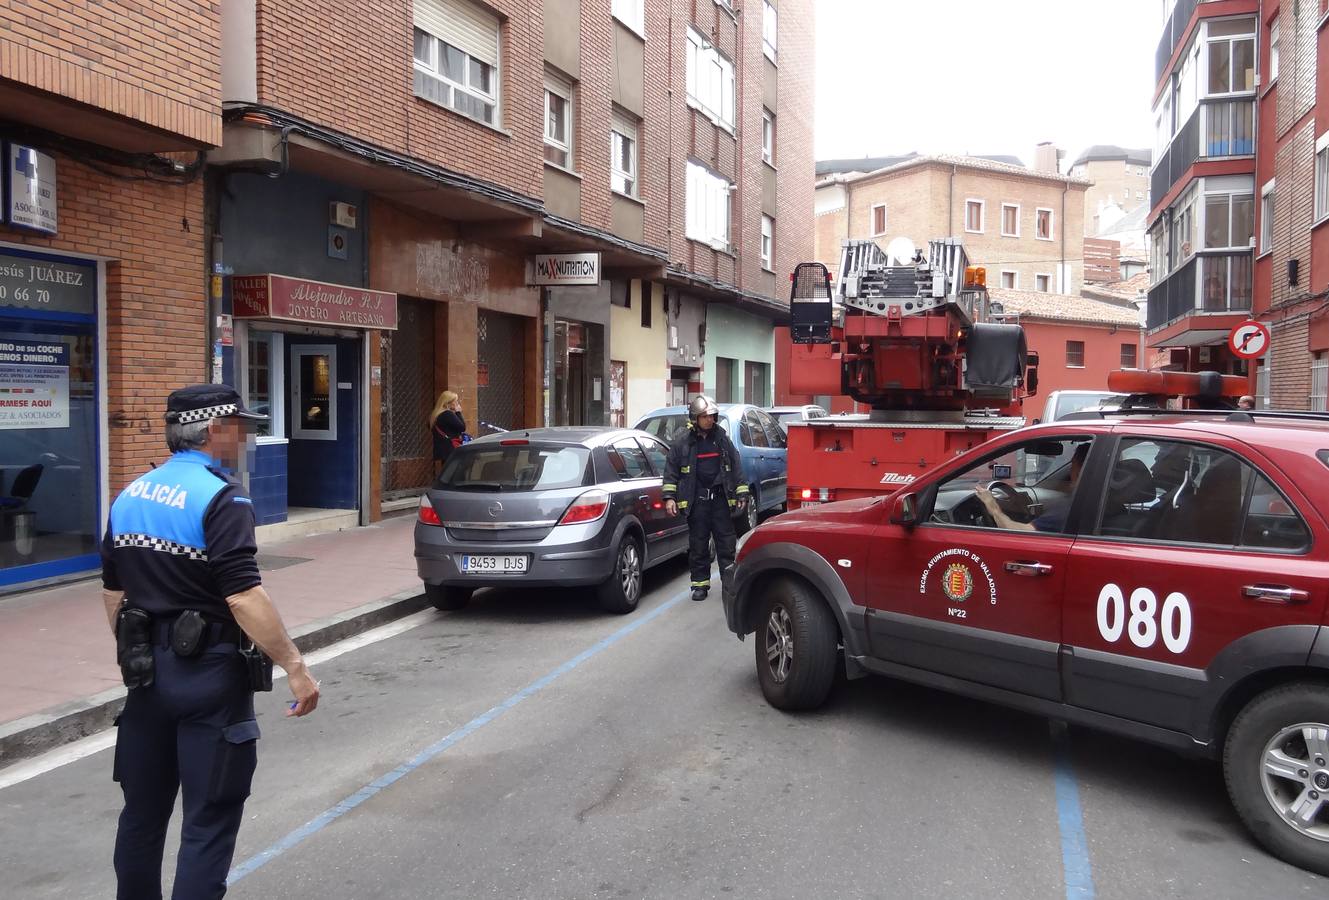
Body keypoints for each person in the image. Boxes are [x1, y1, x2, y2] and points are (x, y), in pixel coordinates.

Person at [102, 385, 319, 900]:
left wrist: (135, 650)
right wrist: (293, 664)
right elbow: (243, 596)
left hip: (146, 677)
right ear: (216, 432)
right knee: (209, 819)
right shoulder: (223, 498)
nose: (246, 438)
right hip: (209, 676)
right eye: (241, 428)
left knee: (142, 815)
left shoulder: (130, 494)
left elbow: (113, 591)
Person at [662, 395, 750, 601]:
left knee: (726, 544)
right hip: (697, 502)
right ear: (695, 418)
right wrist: (669, 497)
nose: (710, 420)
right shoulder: (683, 443)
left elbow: (736, 467)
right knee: (699, 545)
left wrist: (742, 492)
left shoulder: (722, 439)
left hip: (720, 501)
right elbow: (671, 471)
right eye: (705, 416)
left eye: (712, 416)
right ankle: (700, 585)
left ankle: (730, 584)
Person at [975, 443, 1089, 534]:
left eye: (1072, 464)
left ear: (1079, 470)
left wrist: (994, 508)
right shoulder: (1095, 503)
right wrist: (1025, 508)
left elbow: (1020, 533)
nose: (1069, 471)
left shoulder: (1068, 511)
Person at [430, 390, 466, 469]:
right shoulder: (447, 414)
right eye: (455, 401)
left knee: (447, 472)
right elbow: (462, 427)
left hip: (443, 450)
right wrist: (458, 412)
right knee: (456, 473)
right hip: (451, 449)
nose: (457, 404)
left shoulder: (436, 415)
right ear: (448, 403)